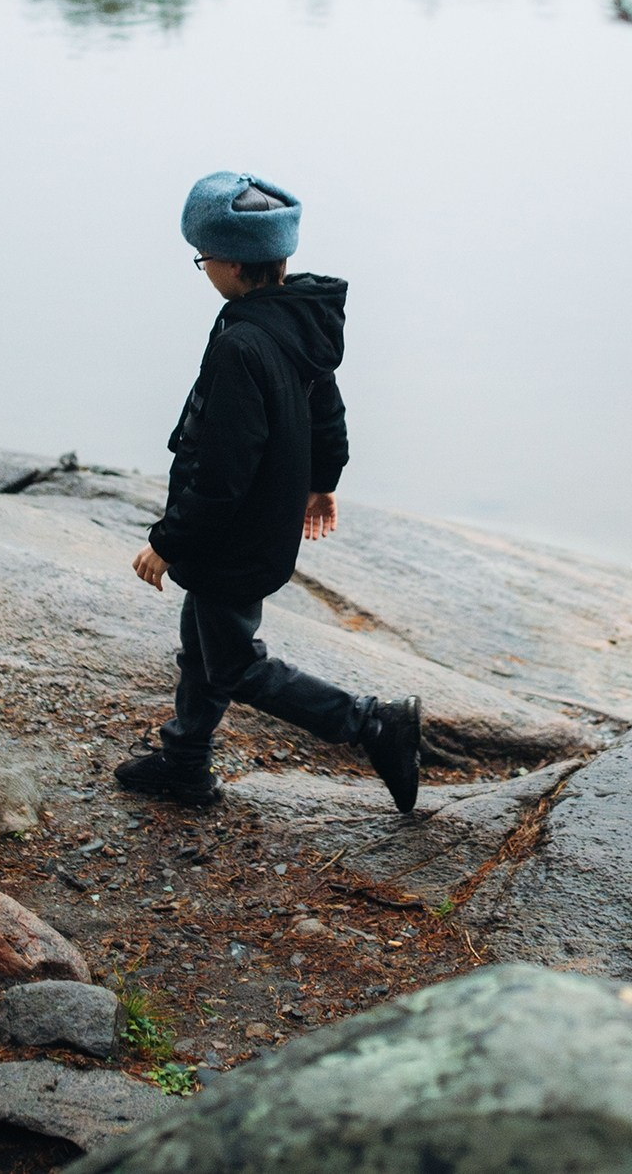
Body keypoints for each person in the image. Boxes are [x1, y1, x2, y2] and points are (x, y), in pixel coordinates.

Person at [114, 172, 422, 812]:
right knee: (203, 648)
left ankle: (370, 723)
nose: (202, 271)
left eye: (201, 260)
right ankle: (184, 762)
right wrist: (322, 482)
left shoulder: (243, 343)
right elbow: (327, 408)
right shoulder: (300, 322)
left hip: (234, 539)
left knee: (235, 664)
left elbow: (222, 469)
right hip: (264, 527)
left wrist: (167, 541)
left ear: (227, 263)